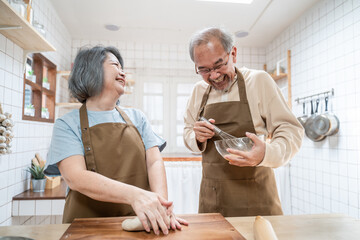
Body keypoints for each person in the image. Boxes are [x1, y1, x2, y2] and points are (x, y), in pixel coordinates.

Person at [46, 46, 187, 235]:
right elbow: (76, 177)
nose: (123, 72)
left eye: (123, 67)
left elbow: (154, 162)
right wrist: (135, 196)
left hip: (140, 223)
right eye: (115, 65)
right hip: (86, 227)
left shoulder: (138, 118)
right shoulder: (67, 123)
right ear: (91, 71)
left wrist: (160, 208)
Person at [183, 27, 304, 217]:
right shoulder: (199, 91)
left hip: (257, 198)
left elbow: (290, 130)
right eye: (204, 70)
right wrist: (196, 137)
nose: (214, 76)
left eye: (219, 65)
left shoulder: (258, 81)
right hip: (212, 199)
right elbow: (188, 131)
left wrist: (267, 152)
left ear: (233, 53)